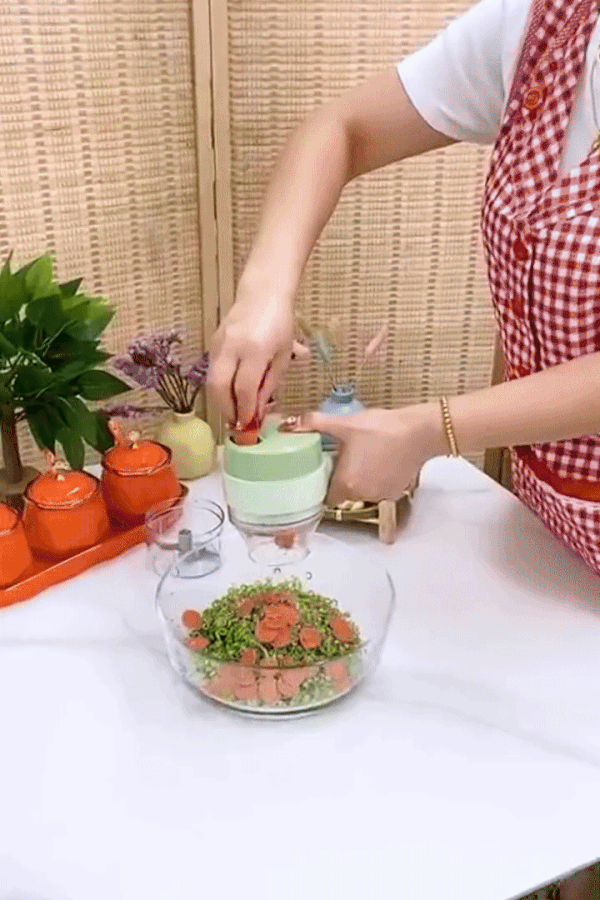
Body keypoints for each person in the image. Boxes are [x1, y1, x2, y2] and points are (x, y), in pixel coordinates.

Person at [209, 0, 600, 588]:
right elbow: (343, 129)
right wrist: (264, 292)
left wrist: (433, 429)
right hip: (551, 526)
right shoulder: (548, 23)